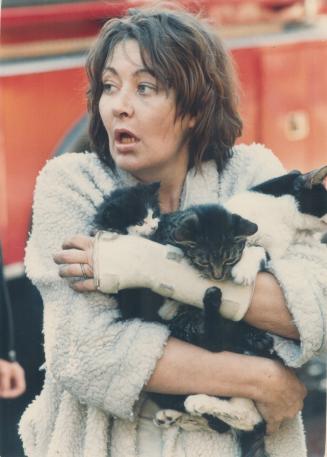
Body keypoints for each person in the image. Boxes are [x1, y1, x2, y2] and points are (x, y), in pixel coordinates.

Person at [19, 6, 326, 457]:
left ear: (195, 108)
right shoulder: (71, 182)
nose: (119, 105)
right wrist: (261, 379)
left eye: (145, 87)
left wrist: (149, 266)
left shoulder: (251, 173)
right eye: (109, 86)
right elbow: (85, 352)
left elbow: (312, 304)